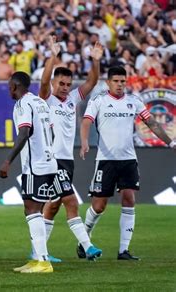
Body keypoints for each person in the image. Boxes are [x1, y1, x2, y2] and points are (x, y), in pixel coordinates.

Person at [80, 66, 176, 261]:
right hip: (106, 160)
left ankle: (123, 250)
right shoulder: (98, 101)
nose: (120, 85)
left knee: (129, 199)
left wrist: (171, 142)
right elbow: (86, 122)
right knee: (98, 206)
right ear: (108, 82)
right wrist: (83, 142)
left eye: (123, 81)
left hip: (128, 160)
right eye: (116, 81)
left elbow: (152, 123)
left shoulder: (134, 101)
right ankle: (84, 241)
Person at [38, 36, 103, 262]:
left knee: (54, 206)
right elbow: (45, 80)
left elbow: (92, 82)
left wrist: (95, 61)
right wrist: (52, 56)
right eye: (61, 84)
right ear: (55, 83)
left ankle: (39, 252)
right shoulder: (47, 98)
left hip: (67, 159)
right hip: (53, 159)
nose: (65, 88)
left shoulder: (73, 98)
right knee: (71, 202)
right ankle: (88, 245)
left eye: (68, 84)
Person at [0, 71, 57, 273]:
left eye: (9, 87)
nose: (9, 91)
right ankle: (37, 258)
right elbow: (52, 132)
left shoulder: (23, 104)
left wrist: (8, 161)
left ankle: (43, 261)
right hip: (49, 163)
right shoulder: (41, 102)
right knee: (34, 210)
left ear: (15, 86)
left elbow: (24, 133)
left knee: (31, 210)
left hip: (36, 166)